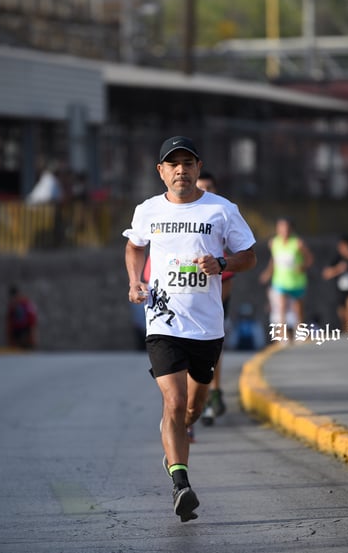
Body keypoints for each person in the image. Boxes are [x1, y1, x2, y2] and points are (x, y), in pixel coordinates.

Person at [124, 136, 256, 523]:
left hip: (207, 328)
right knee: (174, 403)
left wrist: (221, 262)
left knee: (193, 409)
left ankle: (175, 447)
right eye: (173, 164)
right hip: (163, 321)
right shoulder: (147, 210)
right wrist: (134, 281)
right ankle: (181, 484)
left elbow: (249, 257)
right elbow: (134, 246)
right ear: (161, 171)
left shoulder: (222, 209)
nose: (180, 170)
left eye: (187, 162)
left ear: (198, 168)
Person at [196, 171, 233, 427]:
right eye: (201, 188)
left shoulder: (224, 214)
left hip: (219, 287)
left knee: (213, 344)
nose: (205, 192)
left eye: (210, 187)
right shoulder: (185, 213)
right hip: (189, 293)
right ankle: (201, 396)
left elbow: (239, 253)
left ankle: (214, 393)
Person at [258, 218, 314, 336]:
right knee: (281, 307)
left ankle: (299, 331)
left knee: (298, 309)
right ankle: (283, 334)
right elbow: (274, 260)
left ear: (291, 229)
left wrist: (303, 267)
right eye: (281, 228)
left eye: (286, 228)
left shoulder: (298, 243)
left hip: (296, 281)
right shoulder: (273, 243)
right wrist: (268, 273)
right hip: (280, 280)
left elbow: (309, 259)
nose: (284, 231)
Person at [6, 284, 38, 349]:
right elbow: (10, 321)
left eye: (15, 296)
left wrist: (32, 332)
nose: (14, 298)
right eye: (12, 296)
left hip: (25, 330)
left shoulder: (25, 303)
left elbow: (32, 318)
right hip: (16, 331)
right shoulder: (12, 306)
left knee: (26, 347)